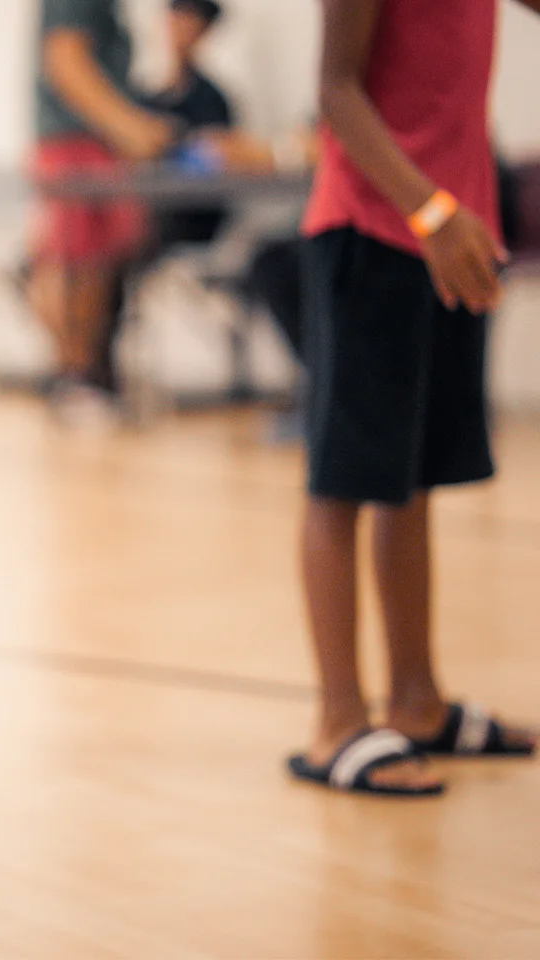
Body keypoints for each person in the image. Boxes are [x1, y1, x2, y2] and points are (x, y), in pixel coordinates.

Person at [287, 0, 538, 797]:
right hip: (381, 225)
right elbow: (335, 92)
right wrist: (427, 210)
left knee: (412, 475)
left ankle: (417, 699)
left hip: (456, 227)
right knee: (345, 479)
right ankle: (337, 720)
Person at [29, 0, 177, 418]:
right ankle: (76, 378)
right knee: (77, 261)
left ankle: (84, 378)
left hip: (87, 145)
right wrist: (133, 129)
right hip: (76, 147)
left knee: (91, 261)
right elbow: (66, 63)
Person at [142, 0, 234, 246]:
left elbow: (221, 157)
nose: (181, 28)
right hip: (146, 226)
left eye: (191, 21)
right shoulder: (145, 99)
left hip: (193, 226)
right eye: (177, 17)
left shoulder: (212, 101)